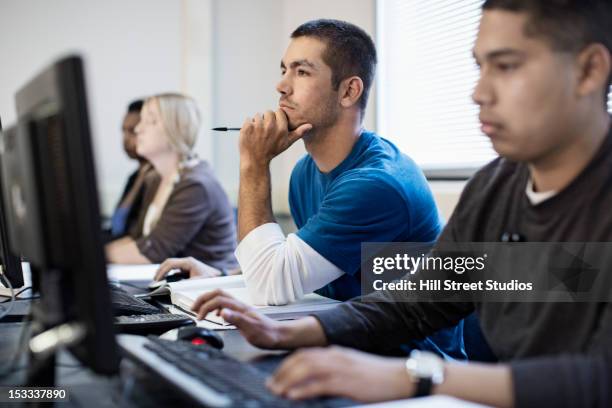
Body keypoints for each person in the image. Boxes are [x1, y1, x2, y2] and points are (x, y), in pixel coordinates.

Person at [189, 1, 612, 407]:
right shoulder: (497, 185)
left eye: (506, 66)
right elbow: (424, 298)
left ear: (589, 70)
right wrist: (294, 332)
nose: (479, 93)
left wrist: (412, 376)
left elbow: (597, 379)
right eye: (480, 67)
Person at [156, 19, 469, 360]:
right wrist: (220, 276)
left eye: (302, 72)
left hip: (407, 359)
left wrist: (254, 164)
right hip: (342, 338)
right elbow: (307, 266)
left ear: (349, 91)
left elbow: (269, 286)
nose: (281, 86)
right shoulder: (306, 170)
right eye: (284, 70)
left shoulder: (375, 185)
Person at [105, 93, 237, 272]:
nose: (138, 130)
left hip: (207, 290)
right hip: (174, 285)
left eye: (150, 121)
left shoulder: (195, 185)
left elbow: (153, 252)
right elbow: (138, 239)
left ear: (174, 129)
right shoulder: (155, 179)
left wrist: (92, 256)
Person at [107, 99, 153, 239]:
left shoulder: (159, 178)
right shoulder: (134, 177)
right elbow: (117, 226)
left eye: (133, 131)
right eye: (123, 131)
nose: (125, 139)